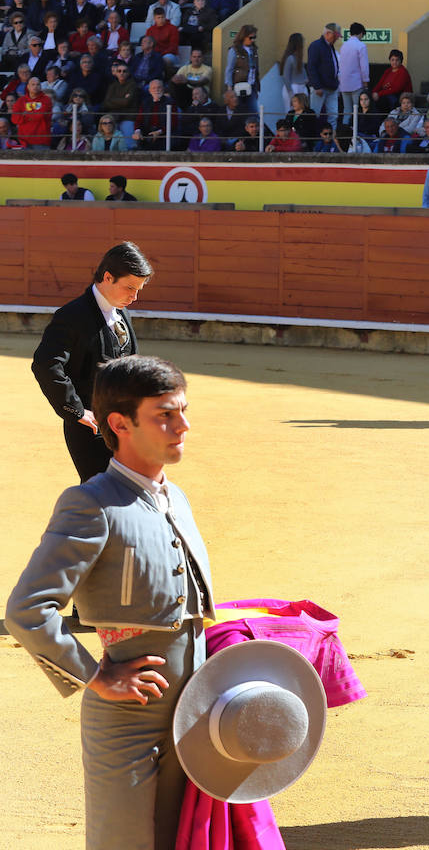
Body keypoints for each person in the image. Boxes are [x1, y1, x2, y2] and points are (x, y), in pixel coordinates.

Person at [7, 353, 211, 850]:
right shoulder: (91, 503)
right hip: (129, 724)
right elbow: (26, 609)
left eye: (182, 410)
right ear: (119, 423)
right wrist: (97, 676)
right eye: (165, 414)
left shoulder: (176, 497)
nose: (182, 426)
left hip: (193, 718)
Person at [32, 242, 152, 481]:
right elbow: (46, 365)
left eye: (138, 289)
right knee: (101, 493)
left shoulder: (121, 311)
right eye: (130, 287)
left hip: (125, 424)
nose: (134, 297)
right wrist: (75, 411)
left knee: (128, 490)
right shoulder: (72, 315)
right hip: (92, 427)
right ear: (108, 277)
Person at [305, 22, 340, 128]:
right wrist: (317, 86)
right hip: (321, 87)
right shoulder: (316, 46)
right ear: (328, 33)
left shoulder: (328, 46)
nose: (337, 39)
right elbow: (311, 67)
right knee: (315, 114)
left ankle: (332, 138)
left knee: (333, 115)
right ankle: (313, 139)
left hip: (331, 86)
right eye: (336, 36)